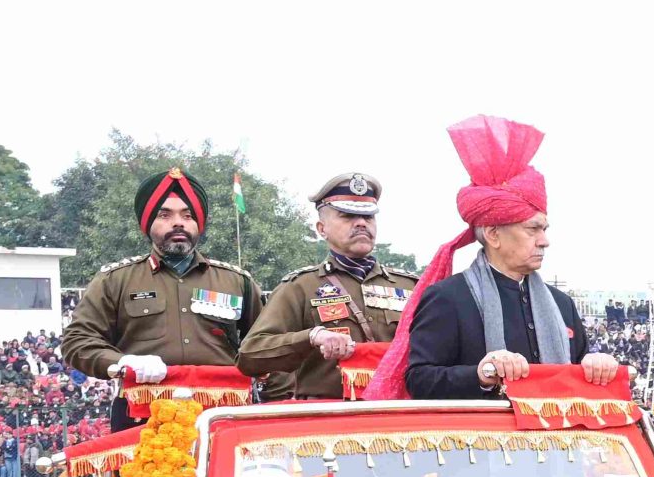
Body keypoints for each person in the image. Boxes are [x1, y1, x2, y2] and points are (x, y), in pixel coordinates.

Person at [369, 116, 625, 400]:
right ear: (493, 234)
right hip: (480, 429)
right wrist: (481, 374)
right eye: (532, 229)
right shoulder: (448, 298)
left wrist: (596, 365)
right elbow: (419, 380)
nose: (544, 241)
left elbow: (577, 371)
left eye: (545, 229)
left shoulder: (561, 303)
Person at [60, 167, 258, 428]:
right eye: (165, 215)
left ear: (199, 223)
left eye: (187, 215)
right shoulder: (115, 280)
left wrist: (277, 408)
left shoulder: (236, 281)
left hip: (223, 417)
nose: (178, 223)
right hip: (142, 417)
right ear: (147, 223)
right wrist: (122, 362)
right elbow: (77, 341)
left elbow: (269, 344)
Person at [239, 173, 417, 400]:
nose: (361, 223)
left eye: (368, 217)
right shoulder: (301, 286)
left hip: (397, 412)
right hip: (329, 414)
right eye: (347, 216)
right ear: (322, 228)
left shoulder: (411, 287)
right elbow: (249, 355)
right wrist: (311, 337)